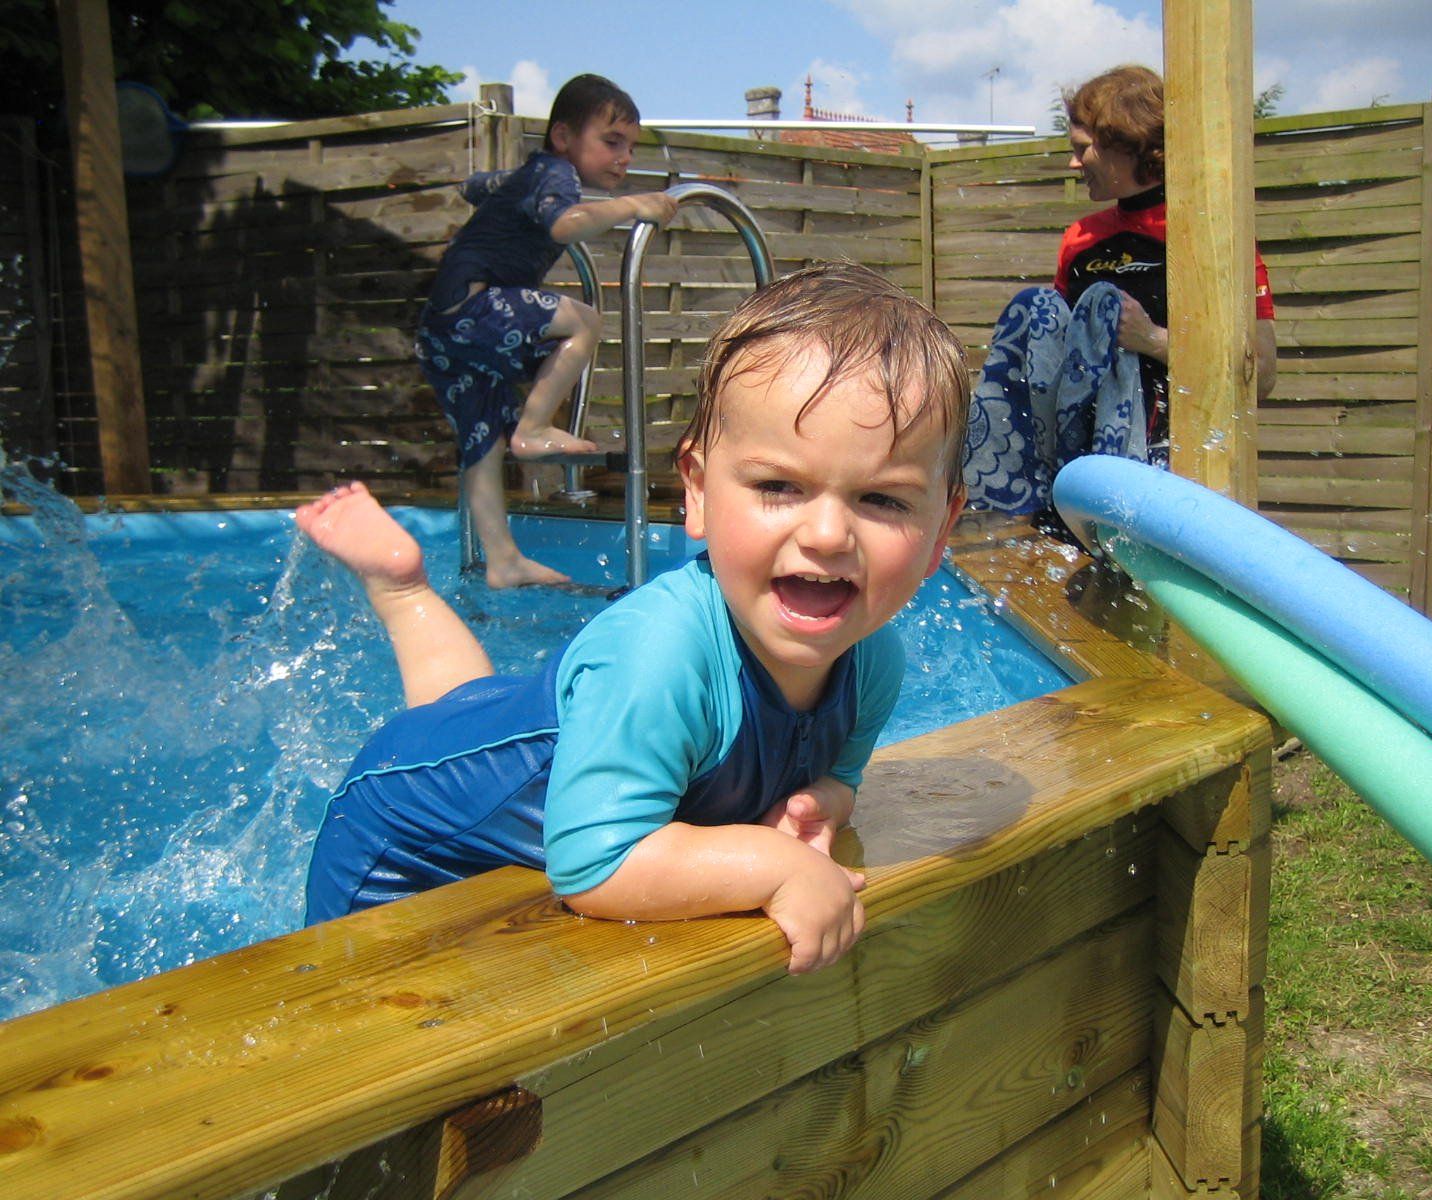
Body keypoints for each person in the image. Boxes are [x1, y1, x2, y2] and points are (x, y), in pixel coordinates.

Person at [299, 263, 970, 974]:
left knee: (478, 722)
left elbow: (839, 779)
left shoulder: (873, 662)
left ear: (942, 530)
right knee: (339, 1010)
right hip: (397, 837)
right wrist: (773, 863)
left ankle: (403, 590)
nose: (830, 534)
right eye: (779, 485)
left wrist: (822, 804)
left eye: (885, 500)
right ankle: (402, 593)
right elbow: (595, 863)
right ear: (699, 492)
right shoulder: (657, 657)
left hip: (503, 755)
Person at [964, 64, 1278, 519]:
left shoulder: (1214, 241)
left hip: (1177, 474)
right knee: (1035, 307)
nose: (1073, 163)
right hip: (1078, 472)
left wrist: (1152, 340)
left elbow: (1262, 376)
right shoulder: (1080, 239)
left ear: (1123, 143)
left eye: (1081, 149)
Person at [415, 73, 679, 588]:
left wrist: (495, 189)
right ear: (562, 137)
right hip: (474, 307)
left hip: (440, 330)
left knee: (482, 440)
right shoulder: (556, 173)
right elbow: (564, 224)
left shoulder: (533, 175)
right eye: (611, 141)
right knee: (584, 320)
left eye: (630, 146)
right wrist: (633, 205)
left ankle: (502, 559)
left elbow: (474, 187)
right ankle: (533, 429)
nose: (624, 157)